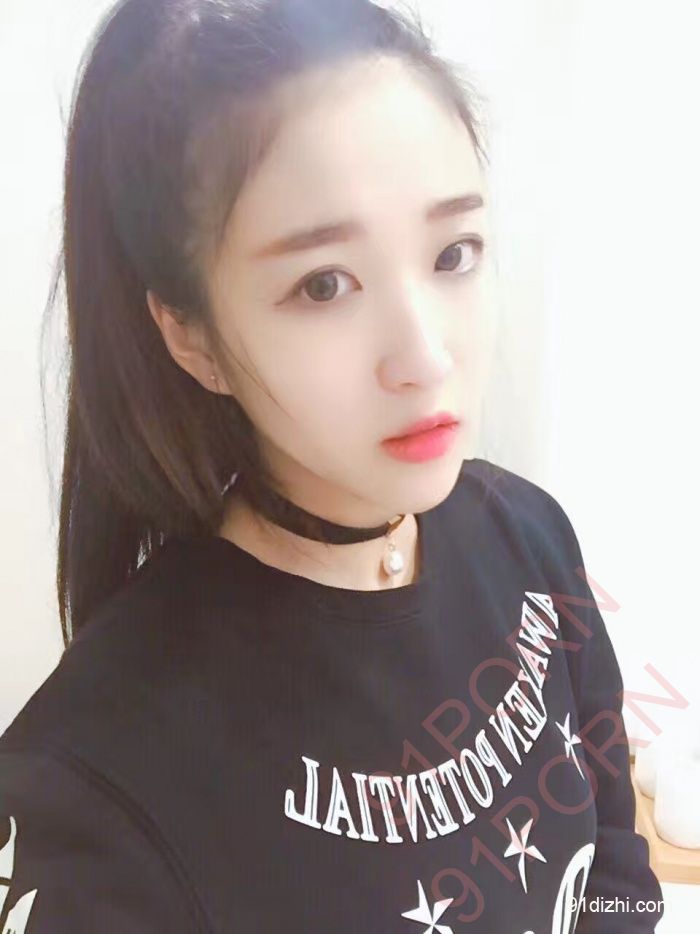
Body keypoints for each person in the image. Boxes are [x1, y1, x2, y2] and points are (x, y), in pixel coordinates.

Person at [0, 0, 664, 931]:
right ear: (192, 336)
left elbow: (616, 868)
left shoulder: (530, 536)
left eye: (454, 253)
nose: (425, 356)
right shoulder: (97, 799)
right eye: (324, 285)